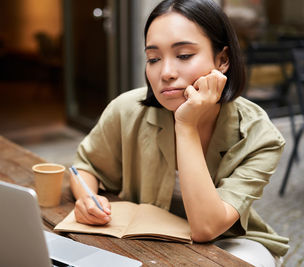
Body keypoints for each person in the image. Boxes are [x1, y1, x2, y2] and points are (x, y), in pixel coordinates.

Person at [70, 0, 289, 266]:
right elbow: (87, 167)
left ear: (223, 60)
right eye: (153, 58)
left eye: (184, 55)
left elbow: (207, 228)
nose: (166, 72)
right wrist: (87, 200)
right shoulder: (126, 109)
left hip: (229, 242)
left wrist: (185, 126)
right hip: (143, 239)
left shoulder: (258, 134)